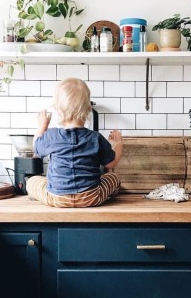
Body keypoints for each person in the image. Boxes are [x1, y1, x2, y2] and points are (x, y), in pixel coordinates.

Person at [26, 78, 123, 208]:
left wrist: (42, 125)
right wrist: (118, 144)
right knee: (113, 178)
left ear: (58, 109)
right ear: (89, 109)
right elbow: (111, 163)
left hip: (58, 198)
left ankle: (42, 194)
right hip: (91, 197)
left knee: (32, 182)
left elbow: (36, 148)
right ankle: (110, 194)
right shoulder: (95, 138)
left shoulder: (51, 135)